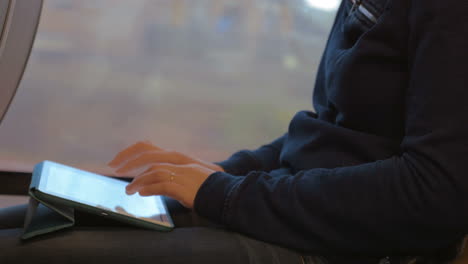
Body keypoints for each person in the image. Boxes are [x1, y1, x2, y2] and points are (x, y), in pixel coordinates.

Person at [2, 0, 468, 263]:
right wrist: (222, 172)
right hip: (288, 207)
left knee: (29, 251)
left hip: (348, 244)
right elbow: (334, 130)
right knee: (29, 218)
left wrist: (226, 195)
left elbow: (434, 193)